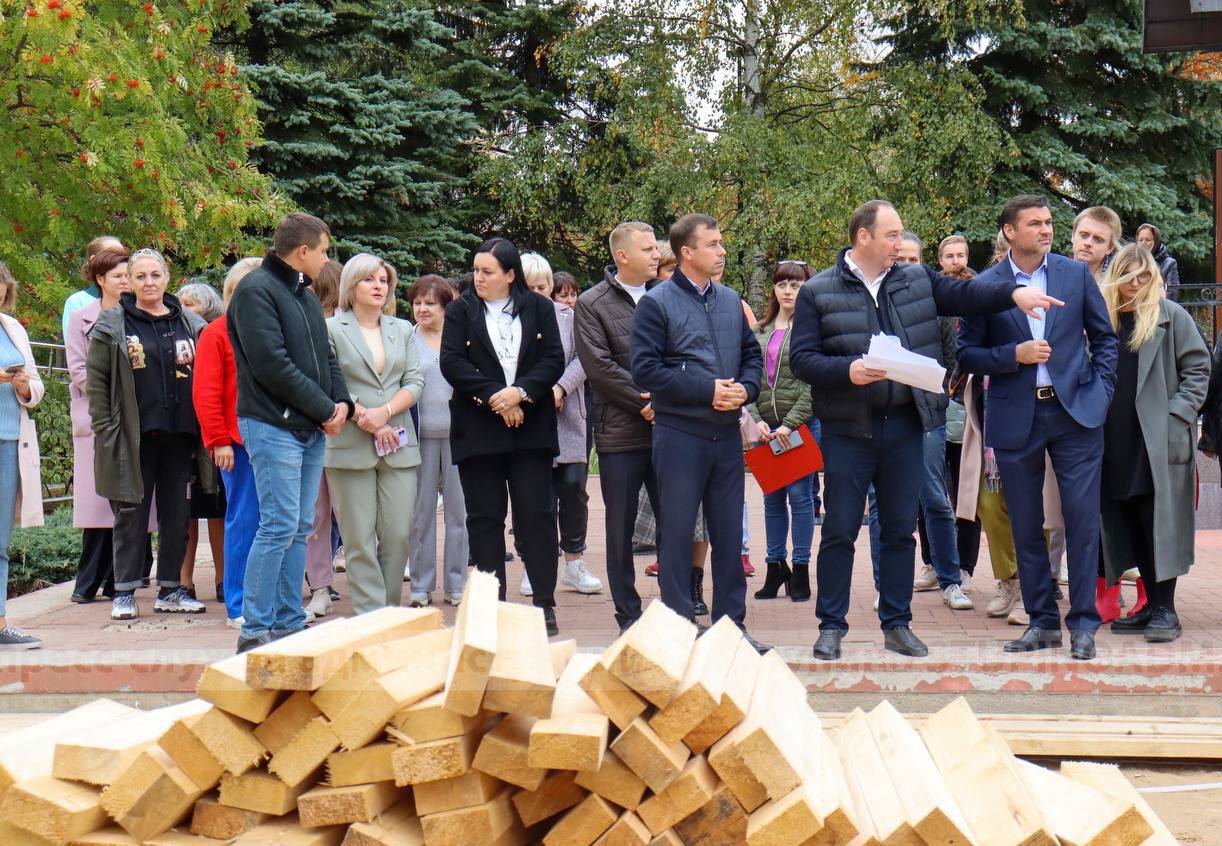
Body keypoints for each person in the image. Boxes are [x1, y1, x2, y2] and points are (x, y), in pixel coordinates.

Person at [789, 199, 1058, 662]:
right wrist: (848, 370)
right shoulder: (818, 290)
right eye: (892, 235)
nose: (900, 242)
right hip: (847, 430)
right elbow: (803, 360)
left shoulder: (914, 279)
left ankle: (897, 624)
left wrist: (1011, 293)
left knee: (898, 530)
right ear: (864, 237)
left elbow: (967, 296)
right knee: (838, 530)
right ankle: (831, 626)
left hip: (906, 424)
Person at [958, 194, 1119, 661]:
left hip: (1076, 416)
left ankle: (1083, 625)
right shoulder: (987, 286)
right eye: (1035, 224)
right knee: (1026, 526)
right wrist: (1014, 356)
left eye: (1050, 222)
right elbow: (967, 354)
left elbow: (1104, 340)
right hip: (1016, 417)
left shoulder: (1073, 273)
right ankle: (1042, 623)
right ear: (1010, 231)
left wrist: (1101, 393)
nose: (1047, 230)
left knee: (1083, 522)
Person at [629, 213, 767, 650]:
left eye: (721, 243)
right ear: (686, 252)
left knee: (728, 535)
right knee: (677, 534)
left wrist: (742, 391)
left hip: (725, 436)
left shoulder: (730, 301)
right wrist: (707, 389)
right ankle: (678, 632)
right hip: (680, 435)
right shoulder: (657, 303)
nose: (722, 251)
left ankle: (732, 631)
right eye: (712, 244)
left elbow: (751, 358)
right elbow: (645, 368)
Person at [227, 213, 352, 652]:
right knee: (278, 524)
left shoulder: (300, 291)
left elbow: (326, 356)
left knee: (299, 526)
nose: (326, 258)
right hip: (271, 424)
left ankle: (286, 621)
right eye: (323, 250)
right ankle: (255, 629)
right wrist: (324, 409)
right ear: (303, 251)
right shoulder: (256, 291)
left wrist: (343, 404)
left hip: (309, 425)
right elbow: (271, 366)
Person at [440, 238, 565, 635]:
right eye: (476, 270)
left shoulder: (540, 308)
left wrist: (521, 392)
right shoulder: (461, 311)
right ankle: (492, 607)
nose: (478, 278)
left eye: (487, 271)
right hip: (480, 429)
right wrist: (496, 396)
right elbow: (452, 362)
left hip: (530, 429)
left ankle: (543, 604)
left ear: (511, 275)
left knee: (536, 517)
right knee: (485, 519)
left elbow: (553, 359)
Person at [87, 248, 210, 621]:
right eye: (139, 276)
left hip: (180, 435)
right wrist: (107, 430)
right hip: (133, 437)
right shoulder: (113, 325)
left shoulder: (189, 323)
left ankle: (171, 588)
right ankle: (124, 591)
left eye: (155, 275)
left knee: (177, 514)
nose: (148, 282)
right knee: (131, 515)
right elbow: (98, 386)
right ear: (129, 281)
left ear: (167, 277)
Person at [1098, 245, 1208, 643]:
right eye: (1129, 275)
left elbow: (1199, 368)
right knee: (1128, 519)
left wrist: (1178, 415)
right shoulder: (1104, 319)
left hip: (1156, 439)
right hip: (1115, 437)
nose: (1136, 284)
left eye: (1144, 276)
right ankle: (1149, 607)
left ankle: (1166, 608)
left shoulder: (1171, 316)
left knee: (1155, 519)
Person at [576, 222, 664, 632]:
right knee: (620, 527)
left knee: (676, 521)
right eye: (647, 249)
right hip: (620, 434)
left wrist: (664, 404)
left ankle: (677, 606)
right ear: (623, 256)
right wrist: (646, 403)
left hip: (670, 431)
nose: (657, 255)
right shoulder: (592, 303)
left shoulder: (668, 296)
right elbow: (599, 366)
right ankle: (628, 614)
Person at [325, 254, 424, 613]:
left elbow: (415, 380)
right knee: (358, 538)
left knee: (398, 534)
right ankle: (370, 616)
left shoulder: (402, 329)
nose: (379, 286)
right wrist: (365, 417)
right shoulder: (332, 329)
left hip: (398, 443)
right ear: (351, 286)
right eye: (369, 280)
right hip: (350, 443)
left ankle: (390, 612)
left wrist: (385, 413)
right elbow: (329, 382)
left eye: (383, 280)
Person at [894, 232, 971, 609]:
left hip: (929, 412)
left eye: (913, 259)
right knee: (889, 505)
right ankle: (887, 584)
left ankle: (950, 579)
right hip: (887, 412)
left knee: (936, 499)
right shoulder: (877, 300)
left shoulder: (937, 302)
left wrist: (939, 388)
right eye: (901, 259)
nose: (907, 265)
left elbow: (953, 357)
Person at [521, 253, 601, 596]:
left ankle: (573, 562)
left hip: (569, 412)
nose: (537, 293)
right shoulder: (509, 321)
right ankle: (533, 565)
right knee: (532, 494)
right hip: (526, 413)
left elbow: (584, 358)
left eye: (542, 287)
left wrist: (559, 387)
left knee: (572, 488)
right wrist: (536, 393)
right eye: (529, 287)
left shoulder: (569, 317)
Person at [194, 258, 261, 629]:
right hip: (236, 443)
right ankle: (238, 603)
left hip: (276, 438)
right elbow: (206, 392)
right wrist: (219, 440)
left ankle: (270, 599)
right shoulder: (216, 333)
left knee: (277, 523)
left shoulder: (272, 330)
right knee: (244, 520)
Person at [747, 261, 815, 603]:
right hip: (765, 430)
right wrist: (757, 419)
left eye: (797, 284)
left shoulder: (811, 331)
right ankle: (776, 566)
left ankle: (801, 568)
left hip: (798, 427)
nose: (788, 291)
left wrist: (792, 423)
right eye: (782, 284)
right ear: (774, 289)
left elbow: (812, 383)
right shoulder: (758, 330)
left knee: (801, 499)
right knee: (772, 499)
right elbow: (750, 378)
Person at [66, 247, 130, 603]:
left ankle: (119, 580)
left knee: (127, 503)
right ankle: (87, 582)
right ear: (100, 280)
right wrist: (113, 391)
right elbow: (77, 370)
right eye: (117, 276)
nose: (124, 282)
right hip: (95, 416)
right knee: (97, 505)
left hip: (132, 419)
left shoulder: (134, 315)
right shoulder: (81, 318)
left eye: (127, 275)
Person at [407, 274, 469, 607]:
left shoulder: (461, 339)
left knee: (460, 513)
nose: (422, 309)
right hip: (419, 437)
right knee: (421, 513)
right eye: (417, 302)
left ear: (446, 306)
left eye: (430, 303)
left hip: (459, 435)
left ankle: (456, 584)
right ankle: (421, 585)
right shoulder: (406, 338)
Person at [0, 262, 45, 649]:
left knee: (0, 539)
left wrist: (24, 385)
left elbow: (36, 383)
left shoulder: (13, 328)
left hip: (11, 439)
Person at [176, 283, 227, 604]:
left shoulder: (216, 335)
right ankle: (184, 580)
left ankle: (225, 579)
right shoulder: (173, 336)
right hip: (183, 435)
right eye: (182, 303)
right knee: (186, 512)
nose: (185, 309)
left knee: (219, 510)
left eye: (192, 304)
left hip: (214, 435)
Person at [304, 259, 343, 616]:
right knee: (319, 515)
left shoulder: (345, 328)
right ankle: (320, 585)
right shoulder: (306, 326)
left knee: (326, 516)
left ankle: (321, 585)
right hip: (318, 428)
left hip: (344, 429)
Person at [62, 235, 123, 340]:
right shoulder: (77, 302)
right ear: (94, 260)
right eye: (113, 256)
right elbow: (74, 349)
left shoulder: (133, 302)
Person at [1071, 206, 1122, 281]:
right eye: (1084, 235)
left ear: (1110, 248)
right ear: (1073, 236)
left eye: (1098, 240)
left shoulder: (1117, 284)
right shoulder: (1052, 273)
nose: (1088, 243)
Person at [1134, 223, 1181, 301]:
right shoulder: (1131, 261)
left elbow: (1172, 294)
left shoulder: (1169, 263)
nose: (1143, 243)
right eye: (1140, 240)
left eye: (1148, 240)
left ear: (1156, 241)